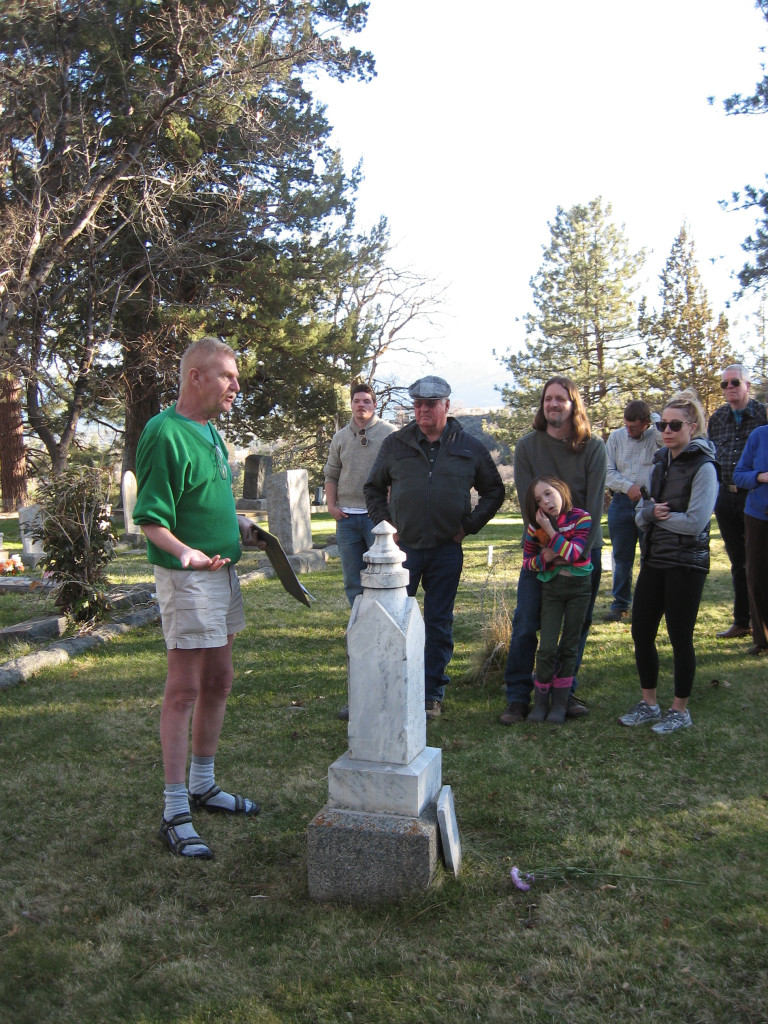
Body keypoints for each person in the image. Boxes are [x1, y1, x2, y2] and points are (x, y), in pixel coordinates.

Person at [133, 337, 265, 860]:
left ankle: (203, 785)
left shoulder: (211, 432)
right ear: (196, 378)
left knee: (219, 681)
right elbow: (151, 520)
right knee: (184, 691)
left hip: (223, 575)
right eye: (228, 377)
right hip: (189, 580)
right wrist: (186, 554)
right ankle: (173, 810)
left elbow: (204, 500)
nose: (236, 386)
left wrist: (238, 523)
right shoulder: (163, 433)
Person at [364, 375, 505, 719]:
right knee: (394, 619)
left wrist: (468, 526)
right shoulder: (396, 444)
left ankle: (431, 694)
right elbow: (373, 488)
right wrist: (387, 529)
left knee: (439, 622)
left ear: (446, 406)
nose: (423, 410)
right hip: (403, 551)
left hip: (445, 550)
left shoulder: (468, 446)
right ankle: (391, 686)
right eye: (417, 404)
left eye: (430, 404)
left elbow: (494, 492)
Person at [499, 376, 606, 725]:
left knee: (575, 628)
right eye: (548, 399)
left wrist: (573, 555)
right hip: (540, 554)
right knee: (527, 624)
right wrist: (549, 553)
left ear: (574, 405)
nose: (553, 404)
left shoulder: (593, 447)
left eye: (561, 399)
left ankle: (564, 690)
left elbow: (593, 507)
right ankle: (518, 697)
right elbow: (530, 507)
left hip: (583, 555)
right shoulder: (528, 446)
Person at [618, 391, 718, 734]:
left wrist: (657, 518)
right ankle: (649, 703)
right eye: (663, 424)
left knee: (680, 636)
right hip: (655, 559)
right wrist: (649, 513)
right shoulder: (660, 462)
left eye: (675, 425)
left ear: (693, 426)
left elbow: (695, 522)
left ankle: (680, 709)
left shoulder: (704, 467)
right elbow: (641, 514)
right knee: (641, 631)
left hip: (687, 564)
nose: (667, 430)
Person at [522, 477, 594, 725]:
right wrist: (549, 557)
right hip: (552, 588)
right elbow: (528, 562)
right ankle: (541, 702)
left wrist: (552, 535)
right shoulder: (535, 527)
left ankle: (560, 703)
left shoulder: (582, 518)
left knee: (570, 645)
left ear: (561, 490)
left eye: (549, 494)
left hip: (579, 588)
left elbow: (576, 554)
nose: (546, 502)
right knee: (547, 647)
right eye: (539, 500)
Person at [707, 364, 767, 639]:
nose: (729, 388)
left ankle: (761, 624)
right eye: (724, 384)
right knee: (738, 563)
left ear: (747, 386)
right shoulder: (717, 418)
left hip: (754, 497)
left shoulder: (762, 415)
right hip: (725, 497)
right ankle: (742, 621)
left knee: (759, 563)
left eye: (734, 382)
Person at [323, 383, 395, 607]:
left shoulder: (390, 434)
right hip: (347, 519)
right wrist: (332, 507)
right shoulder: (340, 438)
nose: (361, 405)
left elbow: (397, 475)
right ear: (351, 405)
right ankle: (359, 623)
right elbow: (331, 474)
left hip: (378, 518)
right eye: (356, 401)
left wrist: (390, 512)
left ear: (374, 405)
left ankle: (383, 620)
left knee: (382, 575)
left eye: (366, 401)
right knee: (353, 579)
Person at [604, 399, 660, 622]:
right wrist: (628, 487)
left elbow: (665, 440)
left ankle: (650, 604)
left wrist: (656, 418)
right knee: (622, 556)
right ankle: (620, 605)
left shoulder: (656, 436)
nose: (629, 430)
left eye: (634, 427)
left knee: (650, 556)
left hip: (648, 503)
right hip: (621, 503)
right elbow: (607, 471)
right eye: (626, 425)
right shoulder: (617, 437)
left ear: (646, 423)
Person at [733, 421, 768, 656]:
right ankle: (762, 639)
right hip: (758, 517)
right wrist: (761, 476)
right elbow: (739, 476)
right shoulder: (759, 436)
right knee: (756, 577)